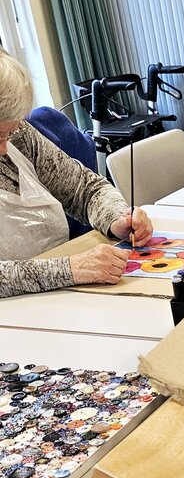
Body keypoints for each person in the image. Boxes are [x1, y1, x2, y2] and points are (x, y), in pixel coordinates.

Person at [0, 50, 152, 299]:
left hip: (59, 297)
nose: (5, 148)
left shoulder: (21, 136)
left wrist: (116, 219)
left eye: (7, 134)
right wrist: (69, 268)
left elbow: (85, 188)